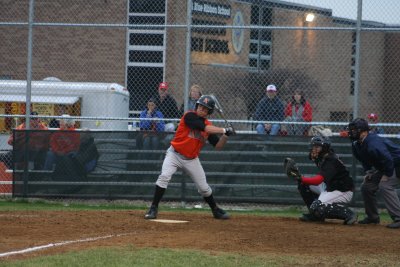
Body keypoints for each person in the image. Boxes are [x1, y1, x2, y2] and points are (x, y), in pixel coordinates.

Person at [144, 95, 235, 220]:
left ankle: (215, 210)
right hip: (174, 154)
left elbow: (218, 146)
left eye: (205, 109)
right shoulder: (189, 116)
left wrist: (226, 136)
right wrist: (224, 129)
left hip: (191, 159)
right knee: (164, 176)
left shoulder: (209, 126)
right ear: (196, 106)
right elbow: (205, 128)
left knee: (204, 188)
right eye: (200, 107)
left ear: (209, 112)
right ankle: (153, 208)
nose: (201, 110)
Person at [292, 136, 357, 225]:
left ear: (325, 148)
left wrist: (300, 177)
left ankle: (349, 214)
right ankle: (315, 215)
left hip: (342, 190)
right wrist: (301, 179)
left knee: (318, 206)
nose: (314, 149)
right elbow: (312, 157)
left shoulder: (331, 160)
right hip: (330, 186)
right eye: (313, 147)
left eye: (317, 147)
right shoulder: (321, 156)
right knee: (303, 184)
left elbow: (317, 180)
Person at [348, 118, 400, 229]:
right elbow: (364, 160)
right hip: (387, 165)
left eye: (355, 130)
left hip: (395, 164)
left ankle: (398, 217)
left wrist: (387, 175)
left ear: (364, 131)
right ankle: (373, 217)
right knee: (367, 186)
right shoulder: (356, 144)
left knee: (385, 185)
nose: (352, 132)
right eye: (351, 130)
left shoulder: (373, 142)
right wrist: (369, 172)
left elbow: (388, 159)